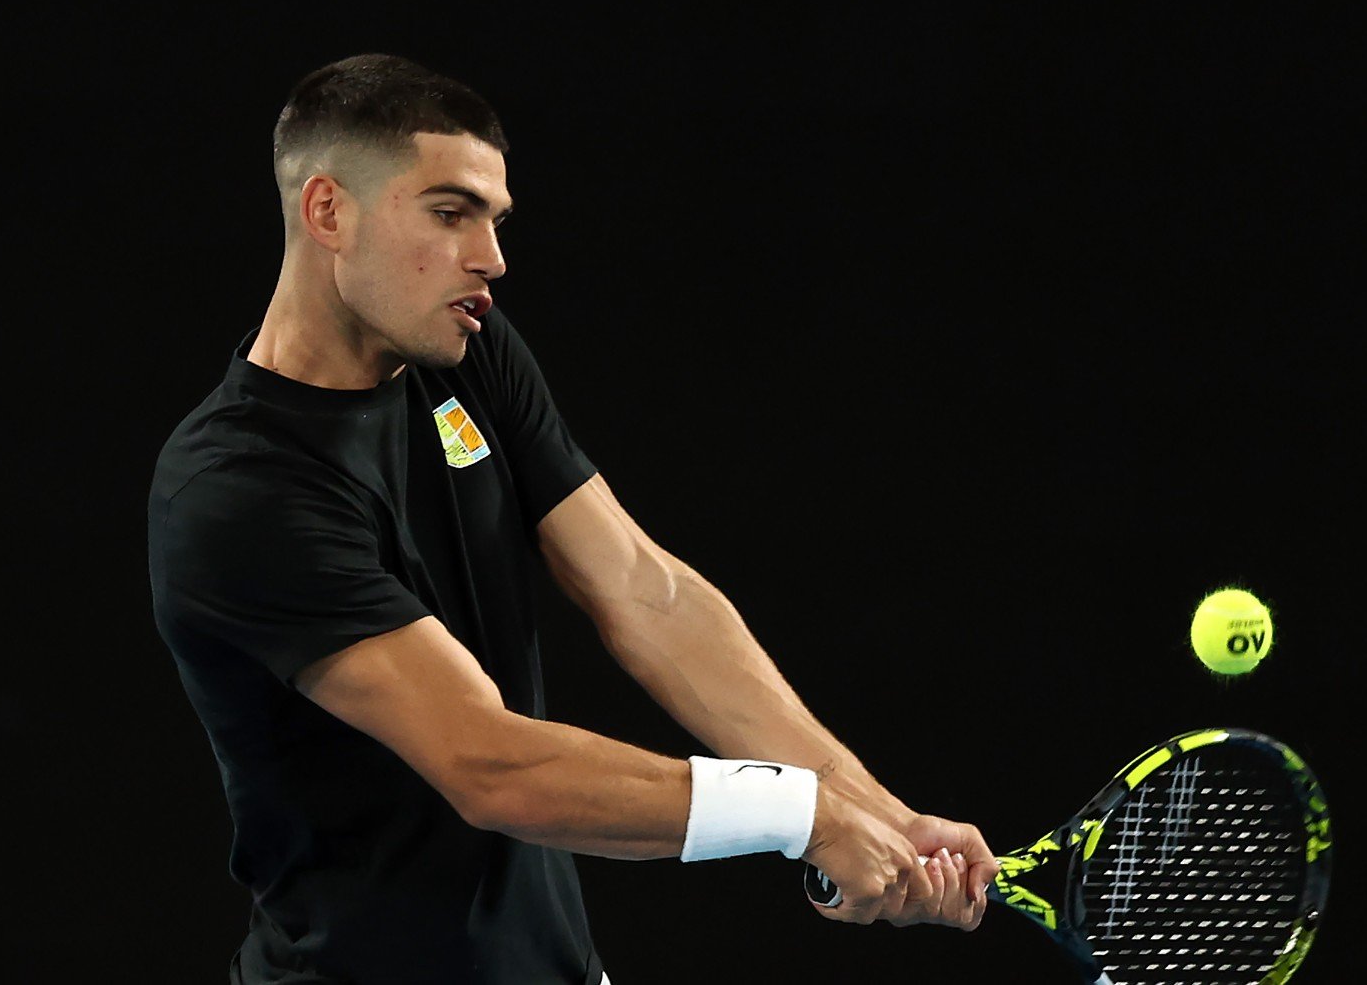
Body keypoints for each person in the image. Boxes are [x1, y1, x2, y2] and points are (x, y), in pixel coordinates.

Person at [146, 53, 997, 985]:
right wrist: (799, 814)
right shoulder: (238, 490)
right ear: (327, 212)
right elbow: (490, 764)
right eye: (448, 212)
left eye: (494, 220)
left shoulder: (464, 348)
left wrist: (873, 807)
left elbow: (644, 588)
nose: (491, 257)